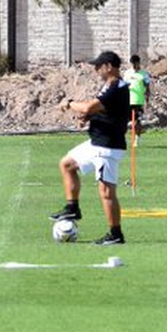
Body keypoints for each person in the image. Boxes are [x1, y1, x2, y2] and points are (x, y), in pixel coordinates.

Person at [50, 50, 130, 245]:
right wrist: (88, 117)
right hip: (96, 142)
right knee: (67, 164)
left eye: (98, 66)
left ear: (109, 67)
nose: (96, 70)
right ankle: (72, 207)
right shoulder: (108, 87)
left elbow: (88, 106)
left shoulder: (117, 88)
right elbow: (102, 110)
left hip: (107, 147)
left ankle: (116, 234)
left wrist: (69, 104)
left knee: (106, 192)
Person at [123, 54, 152, 135]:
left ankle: (137, 137)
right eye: (132, 64)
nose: (134, 65)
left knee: (137, 120)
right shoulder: (127, 73)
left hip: (138, 100)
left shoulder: (144, 74)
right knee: (128, 120)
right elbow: (124, 86)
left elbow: (147, 86)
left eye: (135, 63)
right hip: (128, 100)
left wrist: (147, 98)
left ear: (139, 63)